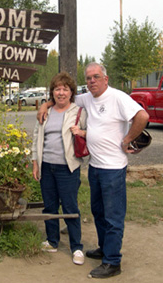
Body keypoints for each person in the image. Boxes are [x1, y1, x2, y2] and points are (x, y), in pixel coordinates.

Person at [37, 62, 149, 278]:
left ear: (105, 79)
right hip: (95, 167)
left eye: (96, 77)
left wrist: (127, 139)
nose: (91, 81)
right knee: (98, 212)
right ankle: (104, 248)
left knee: (113, 216)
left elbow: (142, 116)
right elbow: (63, 97)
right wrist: (45, 105)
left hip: (113, 168)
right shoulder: (87, 98)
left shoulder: (117, 97)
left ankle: (113, 261)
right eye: (88, 78)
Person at [31, 71, 87, 266]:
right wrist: (35, 162)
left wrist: (82, 131)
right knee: (50, 206)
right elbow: (37, 138)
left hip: (67, 168)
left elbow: (92, 132)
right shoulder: (46, 112)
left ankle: (76, 247)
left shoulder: (78, 111)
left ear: (71, 92)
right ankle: (52, 240)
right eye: (57, 89)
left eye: (65, 89)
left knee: (70, 207)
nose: (61, 93)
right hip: (47, 167)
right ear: (52, 92)